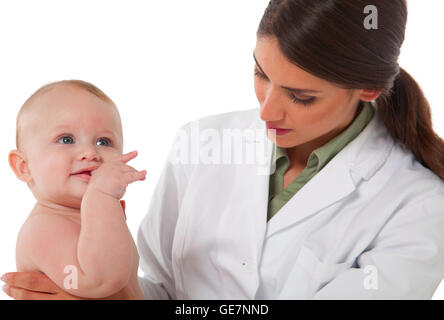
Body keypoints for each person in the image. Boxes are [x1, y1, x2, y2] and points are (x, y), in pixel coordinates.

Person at [3, 0, 444, 299]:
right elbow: (163, 288)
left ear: (367, 89)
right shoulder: (200, 142)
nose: (267, 109)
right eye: (260, 73)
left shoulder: (420, 205)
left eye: (301, 96)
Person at [4, 80, 146, 299]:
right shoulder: (42, 228)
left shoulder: (97, 214)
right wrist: (101, 199)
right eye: (66, 139)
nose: (90, 153)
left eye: (103, 142)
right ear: (24, 167)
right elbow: (102, 280)